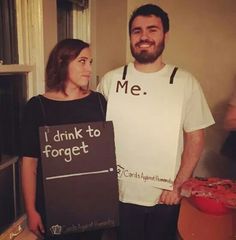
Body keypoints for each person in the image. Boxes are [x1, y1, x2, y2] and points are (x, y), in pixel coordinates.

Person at [97, 4, 215, 240]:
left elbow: (195, 138)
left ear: (165, 35)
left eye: (152, 30)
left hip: (164, 194)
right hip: (119, 194)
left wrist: (178, 185)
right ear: (130, 36)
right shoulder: (111, 80)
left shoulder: (184, 82)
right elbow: (96, 136)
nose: (144, 37)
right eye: (136, 31)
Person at [20, 39, 107, 240]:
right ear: (62, 62)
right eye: (82, 61)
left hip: (92, 205)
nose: (89, 69)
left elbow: (105, 152)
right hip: (54, 206)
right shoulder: (37, 106)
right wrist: (31, 210)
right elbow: (29, 163)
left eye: (90, 62)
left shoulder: (98, 102)